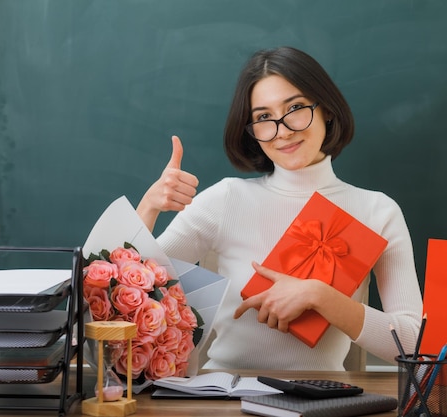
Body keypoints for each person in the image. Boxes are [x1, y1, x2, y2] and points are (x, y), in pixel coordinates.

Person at [136, 46, 422, 370]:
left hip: (322, 399)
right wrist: (149, 207)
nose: (282, 130)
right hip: (225, 397)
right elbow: (131, 291)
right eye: (263, 117)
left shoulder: (377, 211)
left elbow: (414, 344)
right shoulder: (226, 199)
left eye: (296, 107)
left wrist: (320, 296)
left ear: (327, 108)